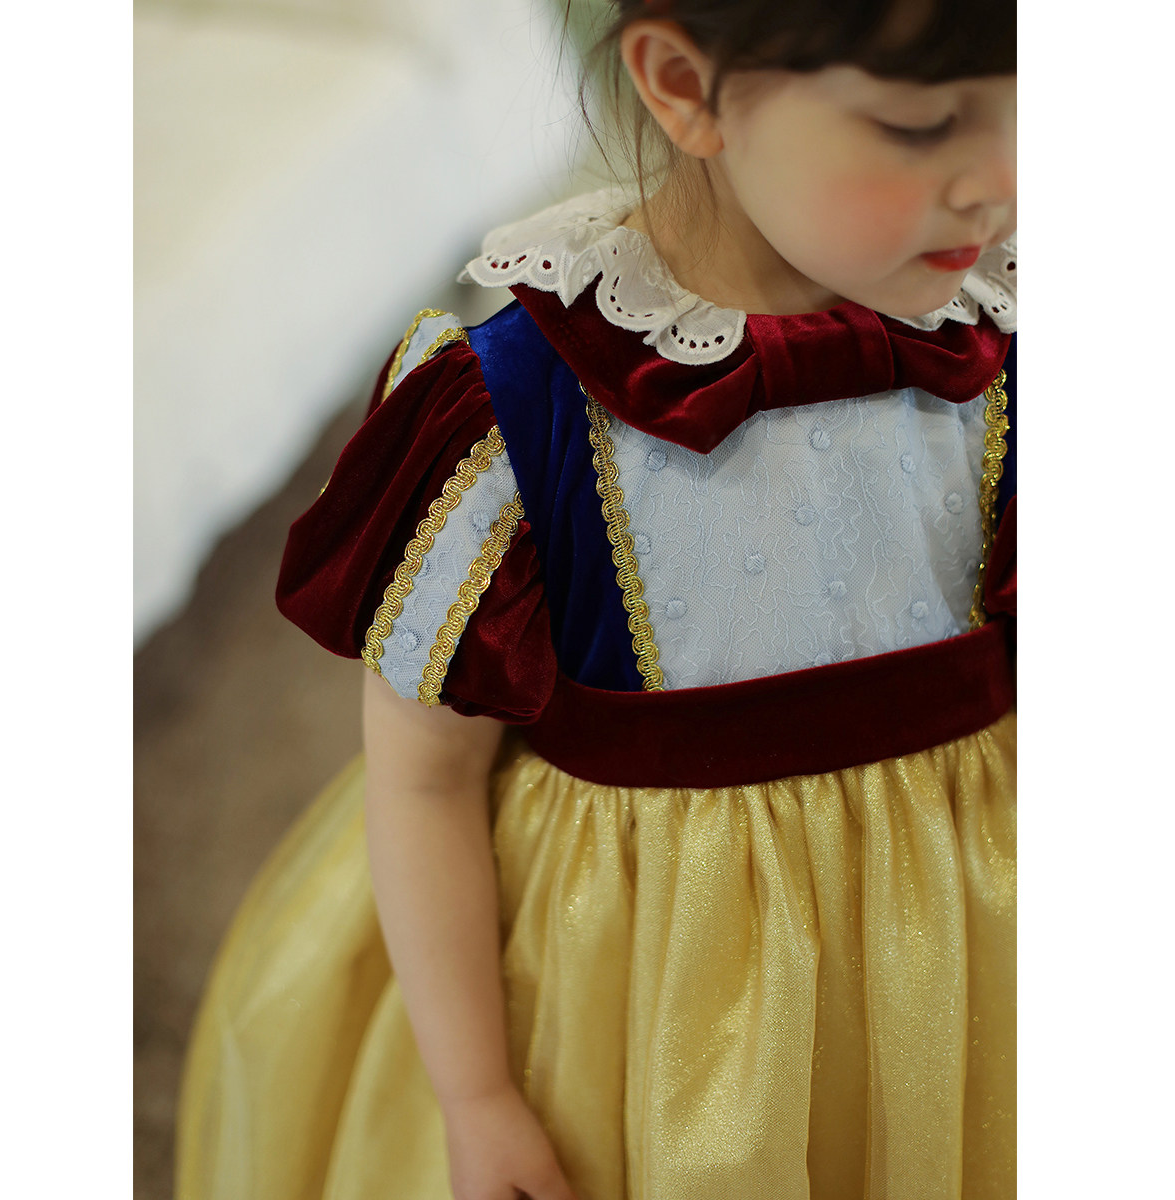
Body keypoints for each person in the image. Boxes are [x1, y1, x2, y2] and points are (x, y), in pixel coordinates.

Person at [177, 2, 1017, 1198]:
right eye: (924, 125)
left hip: (971, 973)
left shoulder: (1015, 352)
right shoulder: (510, 416)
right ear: (682, 84)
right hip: (640, 1016)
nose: (1005, 184)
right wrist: (477, 1096)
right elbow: (423, 779)